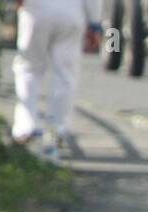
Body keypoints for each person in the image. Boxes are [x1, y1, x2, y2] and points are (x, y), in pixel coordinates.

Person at [12, 0, 102, 159]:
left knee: (28, 68)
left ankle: (26, 126)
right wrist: (94, 23)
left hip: (36, 10)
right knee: (65, 74)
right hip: (71, 12)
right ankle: (56, 129)